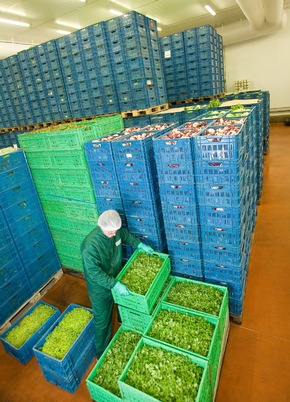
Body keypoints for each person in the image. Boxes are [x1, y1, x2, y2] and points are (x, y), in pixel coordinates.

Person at [80, 209, 154, 359]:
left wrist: (139, 245)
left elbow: (125, 235)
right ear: (102, 227)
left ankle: (124, 324)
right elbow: (94, 273)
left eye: (116, 231)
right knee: (102, 321)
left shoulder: (115, 231)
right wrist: (115, 285)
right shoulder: (90, 246)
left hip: (116, 276)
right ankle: (101, 354)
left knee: (122, 305)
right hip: (100, 289)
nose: (114, 235)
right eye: (111, 232)